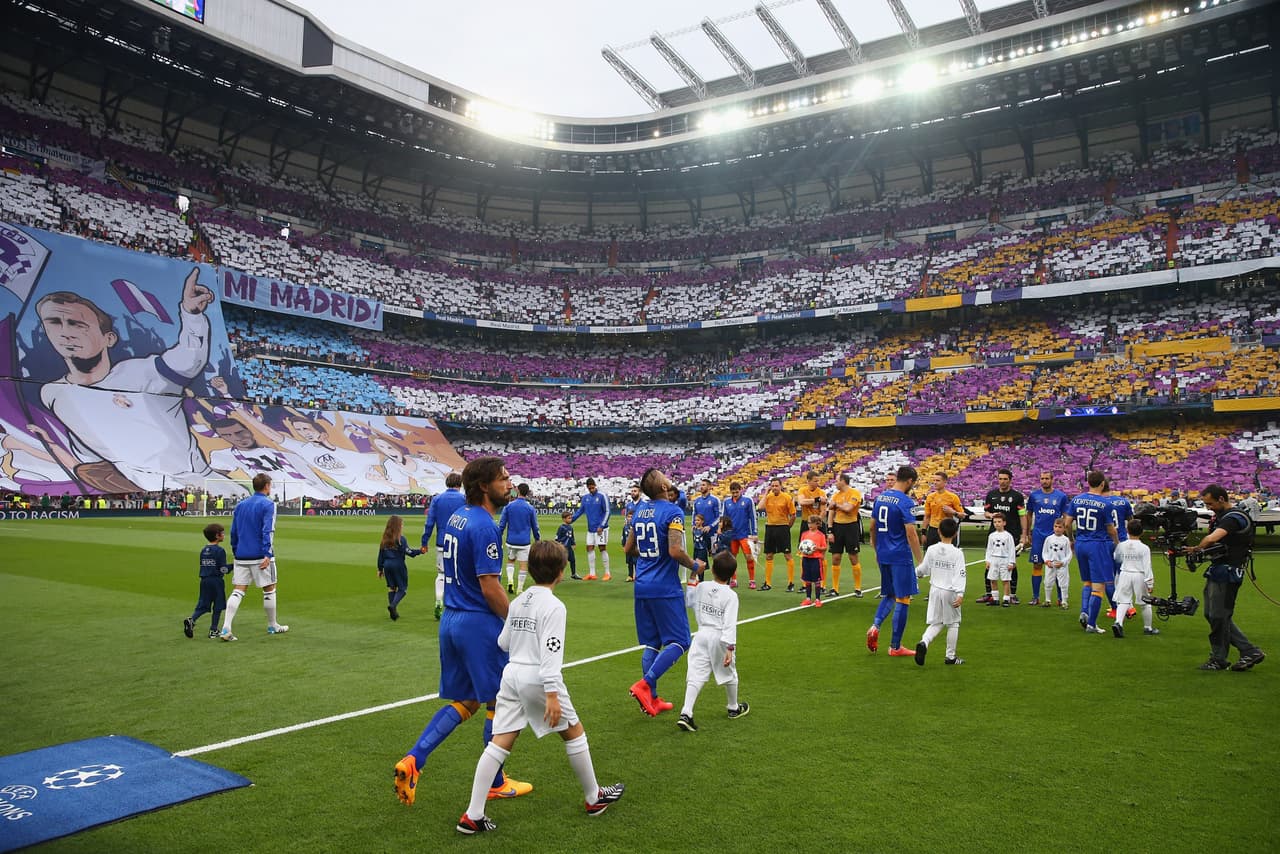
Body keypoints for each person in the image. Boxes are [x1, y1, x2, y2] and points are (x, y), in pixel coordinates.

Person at [455, 541, 624, 834]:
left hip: (511, 675)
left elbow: (503, 643)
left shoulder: (519, 600)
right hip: (538, 676)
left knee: (500, 741)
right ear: (560, 572)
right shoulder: (554, 606)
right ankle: (593, 797)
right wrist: (551, 694)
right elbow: (551, 655)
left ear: (530, 569)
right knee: (573, 731)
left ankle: (473, 814)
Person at [394, 456, 533, 806]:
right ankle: (496, 781)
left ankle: (414, 760)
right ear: (484, 486)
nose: (509, 483)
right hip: (477, 622)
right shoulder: (485, 525)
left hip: (452, 620)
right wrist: (517, 623)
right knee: (499, 700)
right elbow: (490, 586)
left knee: (467, 701)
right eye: (502, 479)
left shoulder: (458, 516)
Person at [34, 275, 222, 494]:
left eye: (77, 324)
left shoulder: (142, 374)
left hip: (197, 480)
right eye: (54, 323)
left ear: (109, 338)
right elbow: (90, 449)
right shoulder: (53, 394)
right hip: (134, 486)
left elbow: (189, 360)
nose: (65, 333)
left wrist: (192, 315)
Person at [624, 468, 704, 717]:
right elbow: (675, 551)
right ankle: (645, 684)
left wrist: (650, 555)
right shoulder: (673, 511)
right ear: (660, 486)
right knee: (681, 641)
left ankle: (654, 699)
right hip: (665, 587)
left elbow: (628, 548)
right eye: (661, 475)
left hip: (642, 585)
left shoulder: (640, 511)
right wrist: (695, 566)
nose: (666, 476)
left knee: (653, 643)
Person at [1188, 484, 1266, 671]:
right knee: (1212, 614)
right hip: (1219, 569)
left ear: (1221, 499)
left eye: (1210, 503)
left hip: (1228, 571)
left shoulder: (1234, 518)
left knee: (1218, 615)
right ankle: (1248, 651)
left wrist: (1197, 549)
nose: (1209, 507)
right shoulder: (1224, 516)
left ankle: (1219, 658)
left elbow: (1213, 538)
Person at [677, 551, 748, 732]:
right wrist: (730, 648)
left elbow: (689, 600)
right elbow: (730, 623)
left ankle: (687, 711)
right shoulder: (731, 596)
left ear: (712, 570)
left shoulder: (702, 586)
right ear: (732, 575)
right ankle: (733, 707)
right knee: (730, 672)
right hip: (719, 637)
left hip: (700, 636)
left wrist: (694, 573)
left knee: (696, 672)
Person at [220, 473, 288, 641]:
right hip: (260, 555)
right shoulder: (268, 504)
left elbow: (233, 531)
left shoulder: (241, 505)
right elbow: (268, 530)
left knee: (238, 590)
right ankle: (272, 625)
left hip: (241, 554)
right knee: (269, 588)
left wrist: (236, 550)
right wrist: (267, 553)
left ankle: (225, 628)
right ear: (266, 486)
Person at [867, 465, 924, 656]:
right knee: (903, 598)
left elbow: (872, 527)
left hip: (883, 553)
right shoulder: (906, 502)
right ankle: (895, 646)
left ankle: (875, 626)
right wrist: (921, 560)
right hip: (900, 555)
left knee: (889, 595)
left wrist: (876, 550)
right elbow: (911, 533)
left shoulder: (880, 497)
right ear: (909, 481)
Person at [1066, 470, 1118, 635]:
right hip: (1098, 545)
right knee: (1099, 586)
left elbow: (1067, 523)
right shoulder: (1106, 503)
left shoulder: (1077, 499)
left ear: (1088, 482)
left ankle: (1084, 611)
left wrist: (1072, 539)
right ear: (1102, 484)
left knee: (1087, 582)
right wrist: (1117, 543)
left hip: (1081, 543)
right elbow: (1111, 529)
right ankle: (1092, 624)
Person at [913, 516, 967, 666]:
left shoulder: (931, 549)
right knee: (953, 623)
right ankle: (950, 657)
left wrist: (915, 574)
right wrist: (960, 593)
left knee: (937, 622)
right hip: (950, 591)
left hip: (935, 590)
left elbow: (923, 569)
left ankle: (924, 642)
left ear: (938, 531)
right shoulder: (957, 553)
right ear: (955, 533)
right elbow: (960, 574)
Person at [422, 472, 466, 620]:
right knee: (460, 573)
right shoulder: (464, 499)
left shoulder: (437, 499)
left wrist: (424, 542)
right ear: (460, 485)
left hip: (442, 542)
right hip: (461, 541)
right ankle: (457, 604)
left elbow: (429, 523)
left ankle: (439, 601)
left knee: (441, 574)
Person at [1024, 471, 1070, 606]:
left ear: (1052, 479)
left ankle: (1060, 598)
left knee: (1058, 565)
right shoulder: (1034, 496)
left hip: (1055, 536)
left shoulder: (1061, 496)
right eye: (1042, 478)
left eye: (1047, 478)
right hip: (1038, 535)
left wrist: (1065, 533)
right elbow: (1029, 514)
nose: (1044, 481)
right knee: (1037, 564)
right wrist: (1028, 533)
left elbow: (1065, 515)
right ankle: (1036, 596)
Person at [983, 469, 1025, 603]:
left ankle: (1012, 595)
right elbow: (986, 513)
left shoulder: (1017, 496)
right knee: (990, 562)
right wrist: (991, 515)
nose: (1002, 481)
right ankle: (989, 593)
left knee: (1012, 564)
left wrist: (1024, 534)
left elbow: (1022, 515)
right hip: (994, 533)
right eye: (1000, 479)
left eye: (1005, 479)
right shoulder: (991, 495)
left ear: (1010, 480)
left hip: (1012, 533)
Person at [1110, 519, 1159, 638]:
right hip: (1139, 574)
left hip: (1125, 573)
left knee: (1123, 600)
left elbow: (1116, 557)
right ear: (1142, 532)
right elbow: (1147, 566)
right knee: (1145, 603)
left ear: (1127, 531)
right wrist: (1150, 583)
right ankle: (1148, 627)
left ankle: (1118, 623)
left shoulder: (1122, 545)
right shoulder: (1144, 548)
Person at [184, 522, 231, 640]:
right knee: (218, 605)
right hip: (216, 581)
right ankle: (213, 629)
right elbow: (223, 569)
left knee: (203, 604)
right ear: (217, 535)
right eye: (222, 533)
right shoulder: (220, 551)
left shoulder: (203, 550)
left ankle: (192, 619)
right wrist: (235, 565)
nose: (224, 535)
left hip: (204, 580)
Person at [498, 483, 541, 594]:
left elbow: (502, 524)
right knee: (523, 565)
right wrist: (537, 539)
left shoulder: (509, 506)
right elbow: (535, 527)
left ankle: (510, 580)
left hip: (511, 541)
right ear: (527, 493)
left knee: (511, 561)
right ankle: (520, 588)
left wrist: (498, 536)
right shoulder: (530, 508)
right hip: (524, 542)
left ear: (517, 491)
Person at [378, 514, 422, 621]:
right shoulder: (401, 539)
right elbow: (409, 552)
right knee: (403, 589)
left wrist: (380, 569)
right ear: (398, 526)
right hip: (398, 564)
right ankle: (393, 605)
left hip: (387, 565)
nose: (402, 526)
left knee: (391, 587)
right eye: (401, 524)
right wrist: (420, 551)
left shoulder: (384, 539)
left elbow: (380, 555)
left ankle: (393, 613)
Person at [827, 473, 864, 598]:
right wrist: (830, 531)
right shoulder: (836, 495)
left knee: (853, 557)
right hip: (837, 528)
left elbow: (848, 508)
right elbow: (830, 513)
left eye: (837, 480)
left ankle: (858, 588)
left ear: (843, 481)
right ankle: (834, 588)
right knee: (835, 557)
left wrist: (836, 505)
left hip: (851, 527)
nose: (835, 483)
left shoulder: (854, 493)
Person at [1102, 478, 1134, 619]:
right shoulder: (1123, 501)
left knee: (1109, 577)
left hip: (1108, 541)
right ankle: (1130, 606)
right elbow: (1132, 521)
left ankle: (1118, 608)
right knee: (1123, 574)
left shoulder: (1101, 503)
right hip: (1123, 540)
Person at [570, 477, 611, 581]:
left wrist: (602, 525)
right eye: (589, 488)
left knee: (602, 548)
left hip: (601, 528)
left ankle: (607, 573)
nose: (591, 490)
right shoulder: (585, 498)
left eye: (592, 488)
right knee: (589, 548)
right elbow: (580, 511)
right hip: (590, 528)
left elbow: (607, 511)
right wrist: (571, 520)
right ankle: (592, 573)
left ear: (595, 485)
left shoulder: (602, 496)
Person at [760, 477, 795, 592]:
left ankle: (791, 583)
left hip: (782, 527)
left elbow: (793, 515)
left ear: (781, 486)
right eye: (772, 486)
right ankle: (768, 583)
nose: (774, 488)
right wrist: (766, 492)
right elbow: (759, 507)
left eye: (776, 486)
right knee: (769, 555)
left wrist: (788, 526)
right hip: (770, 527)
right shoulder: (768, 497)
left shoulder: (786, 497)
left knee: (787, 555)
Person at [722, 481, 759, 589]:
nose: (735, 494)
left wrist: (754, 533)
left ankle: (752, 580)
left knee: (749, 557)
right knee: (732, 558)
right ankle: (734, 580)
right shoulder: (726, 502)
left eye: (737, 492)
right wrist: (723, 531)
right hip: (732, 535)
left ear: (740, 490)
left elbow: (753, 517)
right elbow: (724, 518)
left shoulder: (748, 501)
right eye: (733, 493)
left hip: (745, 534)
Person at [923, 472, 964, 548]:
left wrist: (953, 512)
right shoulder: (930, 497)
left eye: (938, 480)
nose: (935, 483)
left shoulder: (953, 497)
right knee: (931, 555)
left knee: (949, 555)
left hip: (947, 530)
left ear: (945, 482)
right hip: (933, 530)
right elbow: (927, 516)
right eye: (934, 480)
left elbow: (962, 516)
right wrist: (923, 533)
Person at [984, 512, 1017, 607]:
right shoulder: (991, 536)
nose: (997, 524)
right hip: (994, 559)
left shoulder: (1008, 536)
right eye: (995, 522)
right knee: (993, 579)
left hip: (1004, 560)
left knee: (1005, 580)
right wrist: (988, 560)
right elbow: (989, 549)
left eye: (999, 521)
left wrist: (1011, 562)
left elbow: (1011, 550)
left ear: (1004, 523)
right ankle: (995, 599)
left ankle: (1006, 599)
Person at [1041, 517, 1073, 609]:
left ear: (1064, 529)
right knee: (1047, 582)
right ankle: (1047, 600)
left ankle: (1064, 602)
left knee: (1063, 583)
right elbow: (1045, 552)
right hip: (1050, 564)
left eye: (1059, 527)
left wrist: (1063, 562)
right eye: (1055, 526)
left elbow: (1069, 554)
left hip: (1061, 565)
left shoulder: (1066, 540)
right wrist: (1046, 560)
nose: (1057, 529)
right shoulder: (1049, 539)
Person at [799, 515, 828, 608]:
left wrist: (817, 548)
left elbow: (824, 547)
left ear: (817, 524)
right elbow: (801, 545)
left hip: (816, 560)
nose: (809, 525)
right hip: (806, 558)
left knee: (817, 580)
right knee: (807, 579)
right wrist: (802, 550)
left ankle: (818, 599)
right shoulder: (804, 534)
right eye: (808, 523)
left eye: (812, 523)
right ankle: (808, 598)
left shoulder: (821, 535)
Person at [555, 510, 580, 580]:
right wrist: (557, 544)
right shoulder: (561, 528)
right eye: (569, 518)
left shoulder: (570, 527)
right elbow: (557, 537)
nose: (570, 519)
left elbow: (571, 536)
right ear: (564, 519)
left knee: (573, 560)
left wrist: (573, 543)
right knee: (562, 562)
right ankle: (559, 575)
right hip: (563, 547)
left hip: (569, 547)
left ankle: (573, 574)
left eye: (571, 518)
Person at [691, 512, 712, 585]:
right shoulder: (693, 529)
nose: (696, 522)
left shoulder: (704, 530)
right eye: (695, 520)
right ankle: (697, 580)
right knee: (695, 565)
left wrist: (709, 550)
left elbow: (708, 541)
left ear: (702, 521)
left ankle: (701, 581)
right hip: (696, 550)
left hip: (702, 550)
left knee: (700, 566)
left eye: (698, 520)